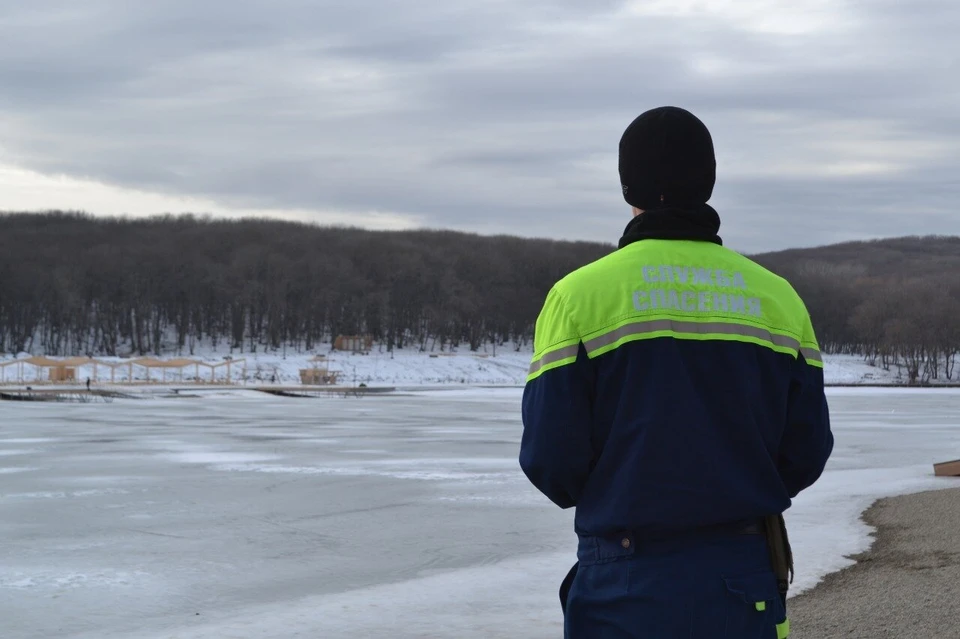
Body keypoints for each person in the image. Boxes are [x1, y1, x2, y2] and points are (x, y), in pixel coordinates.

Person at [519, 106, 833, 638]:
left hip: (624, 583)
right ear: (707, 181)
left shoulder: (578, 297)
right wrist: (733, 491)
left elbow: (552, 460)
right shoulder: (776, 297)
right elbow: (805, 450)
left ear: (627, 187)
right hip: (742, 577)